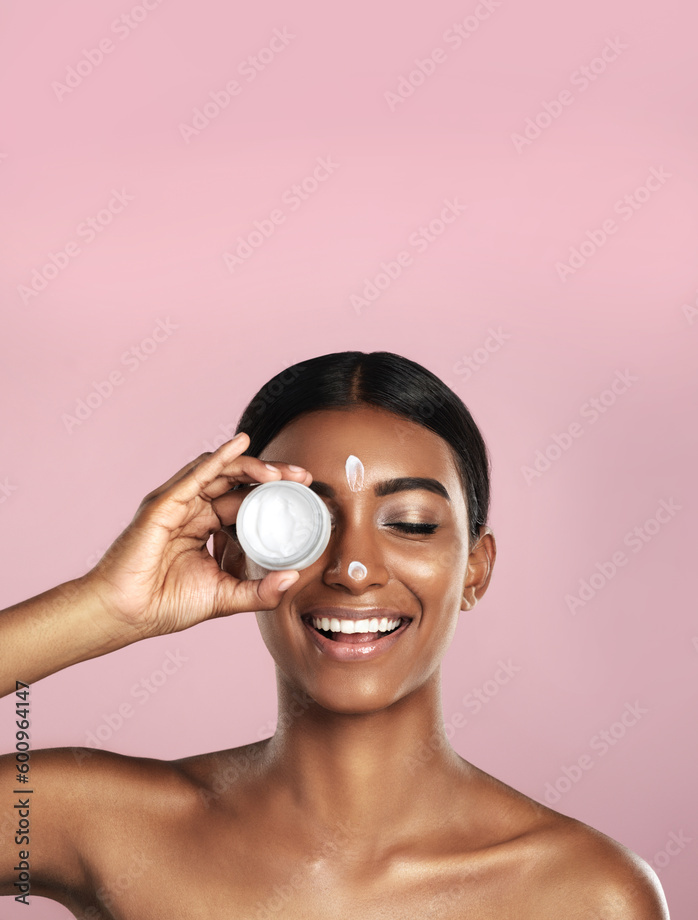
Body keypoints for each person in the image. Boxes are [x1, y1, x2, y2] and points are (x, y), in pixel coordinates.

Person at [0, 350, 669, 919]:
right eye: (302, 521)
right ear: (236, 552)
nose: (353, 568)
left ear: (475, 570)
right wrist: (108, 606)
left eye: (410, 522)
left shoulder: (584, 893)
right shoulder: (98, 820)